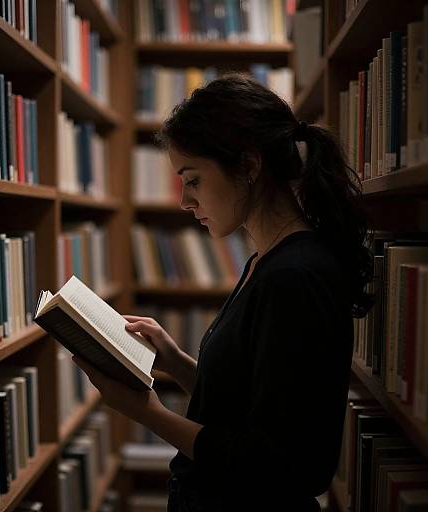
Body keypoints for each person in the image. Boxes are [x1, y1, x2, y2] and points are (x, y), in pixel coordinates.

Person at [73, 74, 373, 511]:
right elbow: (250, 406)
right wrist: (174, 361)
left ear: (249, 166)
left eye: (192, 180)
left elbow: (279, 464)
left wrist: (147, 414)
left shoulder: (294, 278)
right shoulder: (267, 262)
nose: (184, 201)